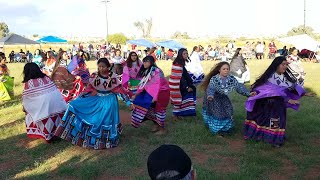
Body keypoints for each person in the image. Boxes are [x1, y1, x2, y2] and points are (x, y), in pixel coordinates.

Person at [54, 58, 133, 149]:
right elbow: (88, 89)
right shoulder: (94, 76)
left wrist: (128, 102)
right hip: (97, 98)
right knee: (74, 105)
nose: (101, 68)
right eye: (99, 66)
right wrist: (79, 98)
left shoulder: (113, 77)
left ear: (108, 66)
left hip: (110, 101)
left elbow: (120, 91)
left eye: (103, 66)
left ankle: (107, 140)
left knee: (106, 121)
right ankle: (91, 138)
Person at [244, 56, 312, 147]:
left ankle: (276, 138)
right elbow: (269, 90)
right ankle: (272, 139)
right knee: (272, 121)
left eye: (286, 65)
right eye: (282, 64)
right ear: (276, 65)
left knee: (279, 121)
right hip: (268, 104)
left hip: (279, 105)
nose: (285, 67)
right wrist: (288, 100)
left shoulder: (284, 77)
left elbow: (292, 88)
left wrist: (303, 93)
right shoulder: (270, 77)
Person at [201, 62, 255, 136]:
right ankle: (217, 131)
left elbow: (239, 87)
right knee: (218, 113)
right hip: (213, 98)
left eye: (227, 69)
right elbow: (211, 88)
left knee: (228, 111)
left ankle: (225, 129)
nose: (226, 70)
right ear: (219, 70)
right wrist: (210, 95)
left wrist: (248, 93)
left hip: (223, 98)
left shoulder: (231, 79)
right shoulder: (214, 79)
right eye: (224, 69)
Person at [22, 63, 67, 142]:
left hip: (45, 114)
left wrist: (25, 109)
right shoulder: (47, 78)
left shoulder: (28, 83)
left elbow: (26, 102)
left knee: (29, 112)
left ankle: (42, 132)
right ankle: (58, 131)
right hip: (59, 109)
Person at [131, 56, 170, 134]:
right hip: (152, 93)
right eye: (144, 61)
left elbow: (158, 85)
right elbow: (143, 84)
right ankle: (156, 124)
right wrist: (136, 94)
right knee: (149, 108)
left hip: (161, 93)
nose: (144, 63)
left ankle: (162, 129)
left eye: (147, 62)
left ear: (151, 63)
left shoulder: (156, 71)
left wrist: (155, 97)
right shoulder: (148, 71)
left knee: (159, 110)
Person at [169, 48, 196, 120]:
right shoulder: (178, 64)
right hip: (176, 84)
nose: (186, 55)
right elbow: (180, 78)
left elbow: (184, 75)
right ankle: (174, 115)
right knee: (178, 100)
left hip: (177, 84)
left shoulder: (180, 62)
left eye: (187, 53)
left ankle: (178, 114)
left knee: (181, 99)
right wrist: (187, 87)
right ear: (180, 54)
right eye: (184, 54)